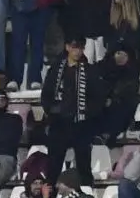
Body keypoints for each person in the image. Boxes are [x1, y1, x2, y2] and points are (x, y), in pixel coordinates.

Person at [42, 36, 106, 186]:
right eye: (74, 47)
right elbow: (46, 93)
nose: (78, 51)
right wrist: (51, 109)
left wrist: (88, 112)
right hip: (59, 122)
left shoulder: (90, 71)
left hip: (81, 123)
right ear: (67, 47)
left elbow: (98, 96)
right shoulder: (56, 69)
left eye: (81, 48)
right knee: (53, 166)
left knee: (84, 165)